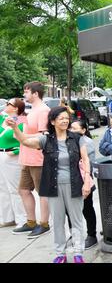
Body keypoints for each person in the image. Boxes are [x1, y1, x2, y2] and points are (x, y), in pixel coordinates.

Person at [6, 106, 92, 263]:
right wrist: (14, 128)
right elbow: (25, 141)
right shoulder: (46, 140)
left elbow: (85, 159)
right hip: (53, 186)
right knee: (58, 221)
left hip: (74, 184)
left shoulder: (77, 138)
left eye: (67, 118)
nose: (65, 120)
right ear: (52, 121)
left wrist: (87, 180)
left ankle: (78, 253)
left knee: (77, 219)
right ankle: (60, 254)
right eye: (61, 118)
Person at [13, 82, 51, 237]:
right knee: (23, 190)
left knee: (42, 192)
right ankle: (31, 222)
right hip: (26, 158)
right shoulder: (32, 110)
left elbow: (44, 136)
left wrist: (22, 136)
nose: (24, 95)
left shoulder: (43, 110)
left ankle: (44, 223)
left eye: (27, 92)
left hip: (38, 158)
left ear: (36, 93)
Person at [69, 119, 98, 249]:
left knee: (87, 208)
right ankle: (74, 234)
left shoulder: (86, 142)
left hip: (83, 178)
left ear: (83, 130)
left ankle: (92, 235)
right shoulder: (66, 140)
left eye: (75, 128)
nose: (71, 131)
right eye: (71, 128)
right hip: (68, 179)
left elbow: (88, 165)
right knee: (69, 210)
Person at [0, 98, 27, 228]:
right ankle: (7, 217)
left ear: (16, 108)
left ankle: (22, 219)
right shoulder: (4, 119)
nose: (5, 105)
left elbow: (25, 138)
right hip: (1, 155)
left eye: (8, 104)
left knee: (15, 189)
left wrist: (16, 151)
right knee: (3, 188)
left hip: (11, 157)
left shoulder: (21, 120)